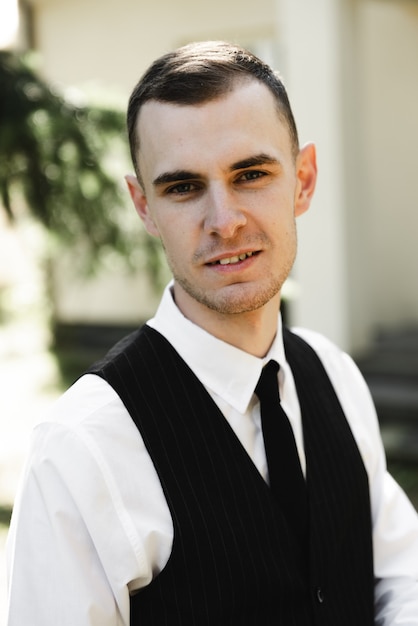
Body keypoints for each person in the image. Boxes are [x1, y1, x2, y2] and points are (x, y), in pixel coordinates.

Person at [6, 41, 418, 626]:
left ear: (303, 180)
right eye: (183, 187)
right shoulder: (83, 447)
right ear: (143, 206)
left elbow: (401, 575)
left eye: (250, 174)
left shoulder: (334, 374)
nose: (224, 221)